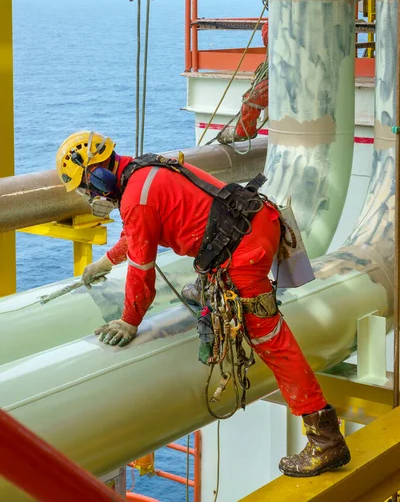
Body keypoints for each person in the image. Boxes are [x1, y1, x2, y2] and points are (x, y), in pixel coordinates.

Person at [56, 130, 351, 478]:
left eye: (86, 187)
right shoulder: (142, 173)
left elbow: (142, 273)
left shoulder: (135, 197)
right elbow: (137, 234)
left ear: (97, 176)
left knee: (269, 338)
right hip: (254, 222)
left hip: (244, 249)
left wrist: (129, 321)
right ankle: (209, 287)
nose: (90, 195)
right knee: (206, 288)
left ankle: (325, 437)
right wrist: (106, 262)